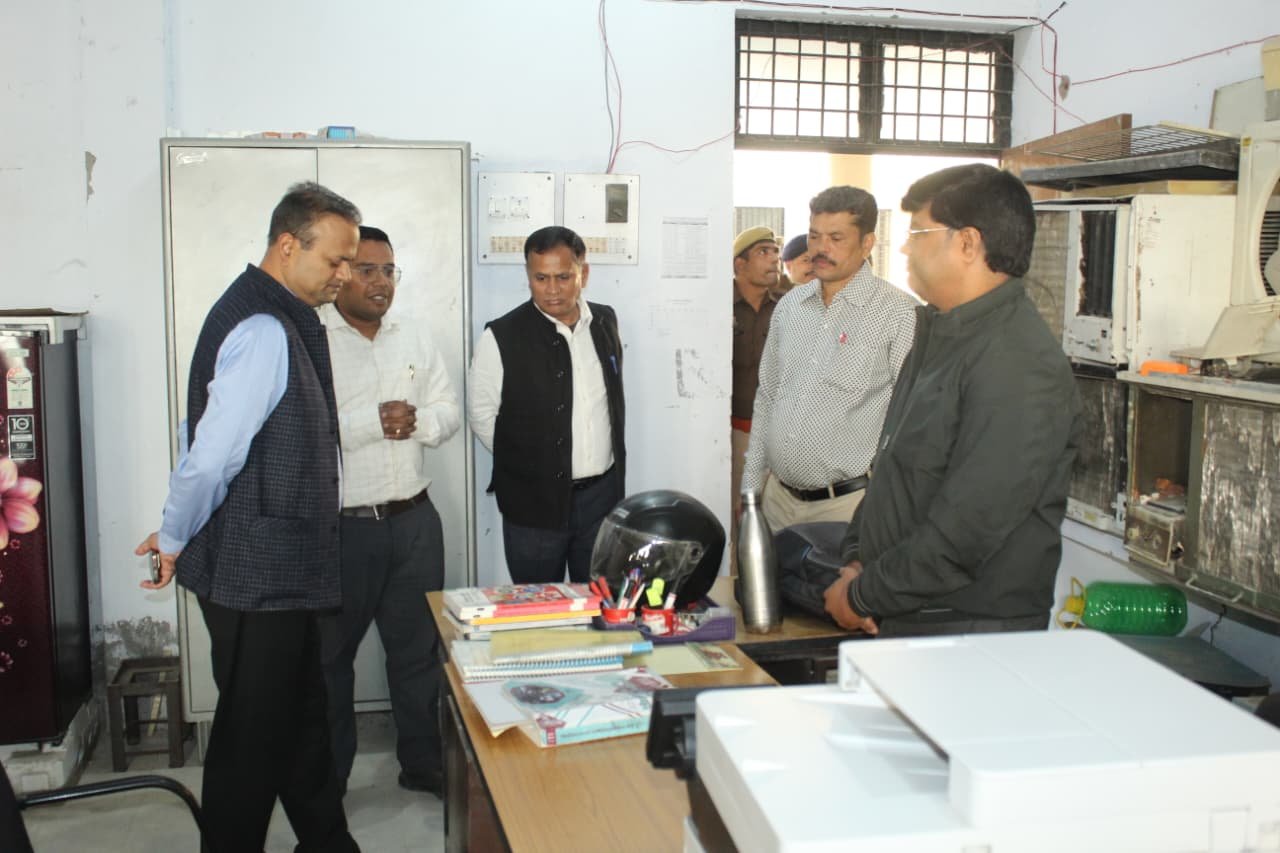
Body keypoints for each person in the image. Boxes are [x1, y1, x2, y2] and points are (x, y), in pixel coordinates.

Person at [135, 182, 361, 853]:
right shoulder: (263, 328)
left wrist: (180, 527)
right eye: (335, 260)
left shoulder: (275, 315)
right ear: (288, 245)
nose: (345, 275)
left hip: (277, 568)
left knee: (302, 723)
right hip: (257, 574)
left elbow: (201, 438)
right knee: (251, 743)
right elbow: (211, 455)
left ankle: (329, 843)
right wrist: (174, 533)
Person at [823, 164, 1082, 638]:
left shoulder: (1019, 362)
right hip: (905, 609)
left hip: (964, 629)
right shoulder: (942, 335)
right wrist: (858, 559)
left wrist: (862, 595)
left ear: (967, 244)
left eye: (917, 233)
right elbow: (895, 470)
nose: (905, 248)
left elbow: (968, 529)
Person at [318, 226, 460, 798]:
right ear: (341, 273)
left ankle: (423, 764)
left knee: (419, 653)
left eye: (388, 271)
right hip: (342, 529)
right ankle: (329, 784)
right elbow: (302, 431)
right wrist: (369, 423)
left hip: (414, 522)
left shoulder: (414, 335)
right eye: (366, 270)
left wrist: (419, 422)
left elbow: (449, 409)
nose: (380, 283)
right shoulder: (312, 337)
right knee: (331, 662)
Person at [741, 187, 917, 532]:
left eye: (836, 238)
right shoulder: (790, 307)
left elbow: (912, 421)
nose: (821, 249)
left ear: (867, 243)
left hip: (849, 508)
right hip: (778, 503)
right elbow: (768, 397)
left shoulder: (899, 314)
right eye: (814, 236)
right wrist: (750, 490)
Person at [469, 226, 624, 584]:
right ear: (529, 276)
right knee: (538, 607)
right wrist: (528, 466)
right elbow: (482, 415)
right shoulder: (501, 336)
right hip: (533, 507)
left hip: (601, 499)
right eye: (541, 278)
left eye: (563, 277)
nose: (552, 289)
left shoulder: (604, 321)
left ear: (583, 274)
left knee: (599, 601)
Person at [730, 225, 781, 544]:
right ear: (740, 264)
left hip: (778, 434)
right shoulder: (719, 305)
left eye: (775, 252)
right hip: (735, 435)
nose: (774, 259)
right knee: (737, 516)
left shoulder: (787, 307)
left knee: (771, 520)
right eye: (763, 252)